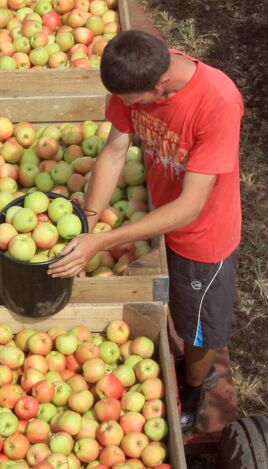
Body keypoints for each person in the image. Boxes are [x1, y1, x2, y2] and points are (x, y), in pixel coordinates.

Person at [49, 31, 244, 433]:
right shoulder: (136, 74)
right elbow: (115, 150)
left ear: (160, 86)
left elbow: (190, 207)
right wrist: (88, 218)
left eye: (131, 102)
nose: (124, 108)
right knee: (171, 305)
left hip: (202, 236)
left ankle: (194, 389)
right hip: (159, 213)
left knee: (198, 328)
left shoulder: (217, 104)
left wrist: (103, 241)